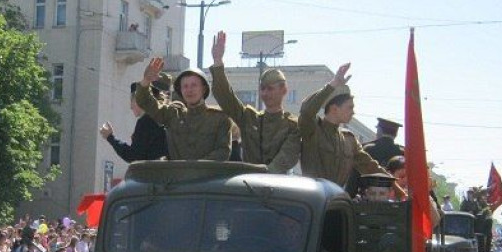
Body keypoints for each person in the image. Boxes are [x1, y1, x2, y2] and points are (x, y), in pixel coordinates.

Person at [298, 63, 401, 196]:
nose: (353, 112)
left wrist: (397, 188)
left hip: (336, 200)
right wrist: (333, 84)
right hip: (313, 199)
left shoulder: (349, 139)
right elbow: (306, 110)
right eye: (350, 107)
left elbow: (370, 166)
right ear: (334, 109)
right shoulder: (313, 130)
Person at [210, 31, 301, 172]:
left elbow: (285, 158)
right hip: (250, 182)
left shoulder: (292, 126)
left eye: (270, 89)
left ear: (284, 90)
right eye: (262, 89)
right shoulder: (250, 118)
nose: (265, 93)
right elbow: (225, 97)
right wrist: (218, 61)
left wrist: (264, 174)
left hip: (278, 183)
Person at [135, 57, 232, 161]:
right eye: (185, 86)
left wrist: (195, 166)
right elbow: (145, 101)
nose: (189, 90)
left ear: (203, 89)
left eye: (194, 85)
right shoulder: (173, 114)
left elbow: (223, 151)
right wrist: (146, 80)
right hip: (177, 171)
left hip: (206, 171)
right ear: (180, 91)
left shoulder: (219, 119)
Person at [99, 76, 170, 162]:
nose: (131, 106)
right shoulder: (163, 119)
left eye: (131, 100)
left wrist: (110, 138)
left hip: (152, 169)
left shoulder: (145, 122)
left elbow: (133, 156)